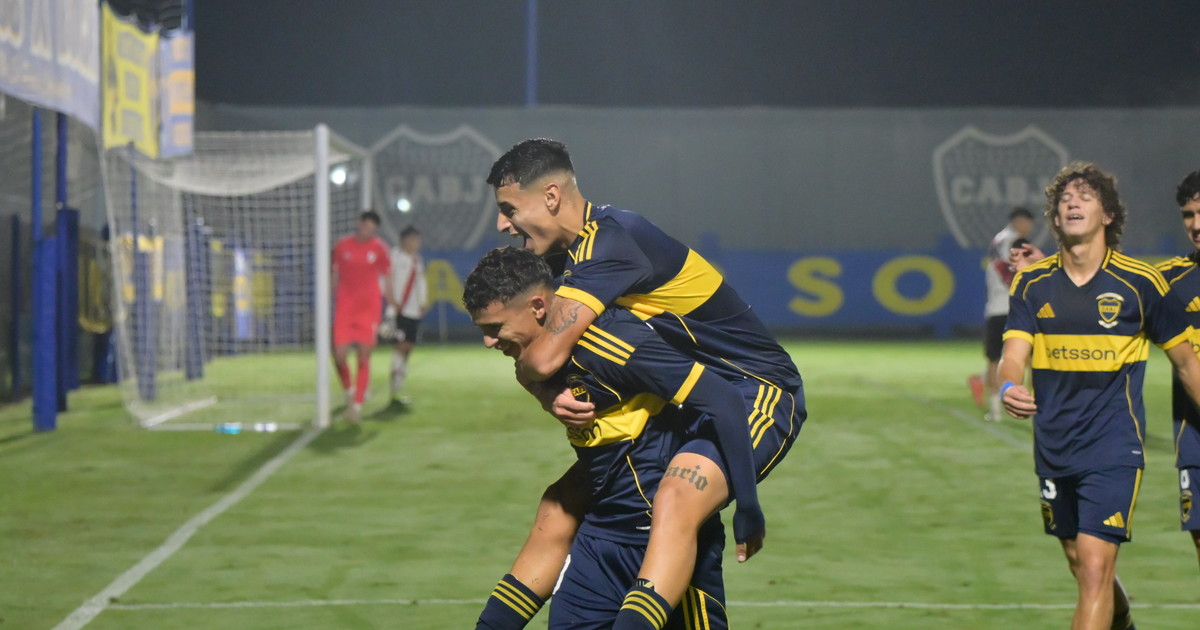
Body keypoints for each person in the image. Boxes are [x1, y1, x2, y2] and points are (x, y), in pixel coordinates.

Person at [488, 138, 806, 628]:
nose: (502, 225)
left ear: (551, 196)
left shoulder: (612, 242)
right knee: (561, 504)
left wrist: (748, 503)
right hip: (684, 401)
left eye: (509, 209)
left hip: (753, 390)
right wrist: (550, 396)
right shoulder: (563, 261)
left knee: (675, 497)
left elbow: (543, 355)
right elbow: (536, 355)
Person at [466, 247, 756, 629]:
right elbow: (530, 371)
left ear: (537, 307)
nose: (489, 342)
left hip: (662, 537)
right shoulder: (537, 354)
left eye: (495, 328)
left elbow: (724, 399)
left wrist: (748, 505)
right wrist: (546, 395)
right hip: (600, 534)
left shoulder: (614, 343)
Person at [999, 162, 1200, 630]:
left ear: (1108, 214)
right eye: (1065, 199)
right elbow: (1012, 356)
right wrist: (1009, 385)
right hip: (1053, 445)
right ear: (1054, 217)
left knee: (1093, 568)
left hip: (1114, 445)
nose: (1072, 203)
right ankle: (1122, 621)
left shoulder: (1140, 283)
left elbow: (1187, 363)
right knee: (1081, 564)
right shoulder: (1032, 283)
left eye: (1085, 197)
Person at [1154, 168, 1200, 572]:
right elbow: (1105, 288)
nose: (1196, 225)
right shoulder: (1169, 280)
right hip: (1195, 438)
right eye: (1188, 215)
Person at [971, 206, 1035, 420]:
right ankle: (1031, 405)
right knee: (1030, 359)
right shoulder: (1014, 242)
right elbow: (1019, 271)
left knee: (996, 357)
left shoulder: (998, 240)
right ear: (1019, 221)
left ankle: (994, 408)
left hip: (996, 308)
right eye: (1028, 223)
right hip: (1013, 307)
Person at [331, 210, 392, 423]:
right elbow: (335, 275)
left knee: (364, 356)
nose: (368, 232)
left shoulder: (379, 248)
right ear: (359, 224)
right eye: (366, 227)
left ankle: (356, 405)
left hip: (369, 309)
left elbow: (387, 277)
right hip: (345, 308)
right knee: (339, 356)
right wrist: (328, 298)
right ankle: (349, 389)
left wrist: (391, 307)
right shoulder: (342, 246)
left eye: (372, 229)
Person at [385, 225, 427, 402]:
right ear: (405, 240)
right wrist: (392, 301)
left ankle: (399, 380)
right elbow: (386, 279)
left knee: (409, 345)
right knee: (400, 345)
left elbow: (420, 283)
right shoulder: (394, 257)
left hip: (413, 311)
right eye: (413, 240)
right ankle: (394, 383)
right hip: (399, 309)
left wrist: (423, 302)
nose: (416, 243)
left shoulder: (417, 260)